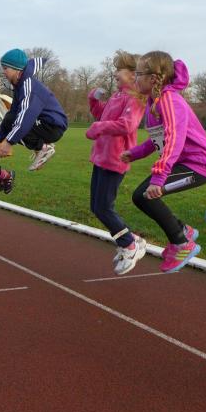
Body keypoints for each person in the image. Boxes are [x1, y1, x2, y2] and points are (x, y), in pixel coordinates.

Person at [121, 51, 206, 273]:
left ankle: (182, 243)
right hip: (182, 163)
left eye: (138, 74)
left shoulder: (170, 101)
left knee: (145, 196)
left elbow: (174, 139)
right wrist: (135, 153)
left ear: (153, 78)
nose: (135, 78)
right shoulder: (155, 102)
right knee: (141, 196)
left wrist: (159, 177)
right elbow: (159, 138)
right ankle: (182, 230)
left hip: (198, 166)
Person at [86, 51, 147, 275]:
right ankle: (132, 239)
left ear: (132, 74)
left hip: (116, 159)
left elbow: (127, 124)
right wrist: (94, 99)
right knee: (96, 207)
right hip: (101, 157)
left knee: (104, 208)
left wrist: (98, 128)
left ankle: (129, 245)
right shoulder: (117, 96)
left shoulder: (135, 99)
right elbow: (101, 115)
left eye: (118, 70)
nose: (115, 74)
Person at [0, 49, 68, 171]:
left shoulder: (28, 87)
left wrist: (8, 142)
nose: (3, 72)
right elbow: (10, 117)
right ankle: (41, 148)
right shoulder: (20, 86)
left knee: (18, 123)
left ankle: (43, 148)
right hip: (43, 124)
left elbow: (25, 118)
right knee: (10, 119)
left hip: (52, 126)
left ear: (17, 69)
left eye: (6, 68)